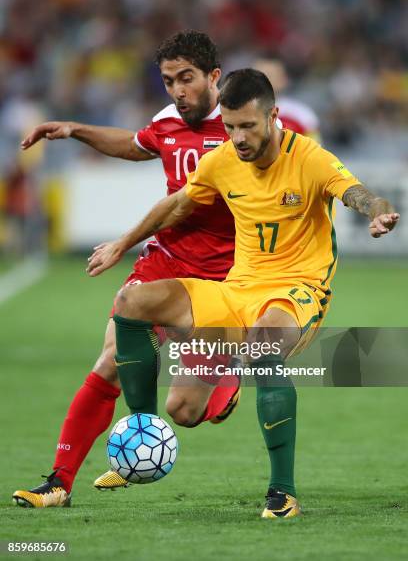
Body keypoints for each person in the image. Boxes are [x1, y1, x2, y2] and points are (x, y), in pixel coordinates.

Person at [84, 68, 399, 518]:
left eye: (248, 126)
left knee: (263, 346)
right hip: (237, 289)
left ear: (273, 115)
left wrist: (378, 213)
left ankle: (283, 492)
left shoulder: (309, 158)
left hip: (295, 292)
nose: (238, 137)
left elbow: (358, 193)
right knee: (132, 305)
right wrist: (121, 243)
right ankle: (142, 437)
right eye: (230, 126)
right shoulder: (224, 159)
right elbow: (176, 205)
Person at [12, 30, 242, 509]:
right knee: (111, 358)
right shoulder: (168, 120)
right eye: (168, 81)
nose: (178, 91)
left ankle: (226, 376)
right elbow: (137, 145)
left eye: (187, 79)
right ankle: (59, 481)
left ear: (213, 77)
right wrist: (76, 129)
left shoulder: (245, 124)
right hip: (167, 260)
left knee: (185, 410)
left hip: (224, 276)